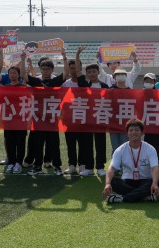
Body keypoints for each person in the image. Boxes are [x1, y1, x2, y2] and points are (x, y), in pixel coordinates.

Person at [22, 48, 69, 176]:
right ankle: (37, 166)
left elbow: (66, 72)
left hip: (52, 118)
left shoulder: (55, 81)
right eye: (43, 69)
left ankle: (57, 166)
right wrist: (22, 59)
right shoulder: (36, 81)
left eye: (48, 69)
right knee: (38, 144)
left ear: (52, 70)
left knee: (54, 143)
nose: (45, 71)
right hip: (38, 118)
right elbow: (24, 75)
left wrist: (64, 57)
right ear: (40, 70)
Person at [102, 119, 159, 203]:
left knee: (158, 182)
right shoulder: (120, 149)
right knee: (111, 181)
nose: (134, 132)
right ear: (127, 133)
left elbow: (155, 168)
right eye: (131, 130)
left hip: (144, 180)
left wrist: (154, 183)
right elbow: (111, 168)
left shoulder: (150, 149)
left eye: (137, 130)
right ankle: (143, 196)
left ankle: (122, 198)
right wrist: (107, 184)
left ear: (142, 133)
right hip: (127, 181)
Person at [79, 62, 110, 176]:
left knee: (100, 143)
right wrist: (77, 54)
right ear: (86, 73)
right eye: (89, 72)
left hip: (100, 118)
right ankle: (89, 167)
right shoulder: (84, 85)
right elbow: (78, 72)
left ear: (98, 72)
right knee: (87, 143)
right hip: (87, 118)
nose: (92, 74)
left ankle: (100, 167)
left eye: (94, 71)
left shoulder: (104, 86)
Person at [62, 46, 89, 176]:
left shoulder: (84, 82)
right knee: (70, 143)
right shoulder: (65, 83)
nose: (73, 70)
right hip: (69, 118)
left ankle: (82, 164)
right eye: (71, 68)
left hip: (82, 117)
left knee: (83, 143)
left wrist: (77, 53)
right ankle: (72, 165)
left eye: (75, 67)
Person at [0, 65, 27, 174]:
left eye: (15, 73)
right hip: (9, 120)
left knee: (20, 142)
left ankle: (18, 163)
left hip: (21, 119)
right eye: (10, 73)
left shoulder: (23, 87)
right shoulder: (5, 87)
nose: (12, 75)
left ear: (19, 75)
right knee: (9, 142)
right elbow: (1, 102)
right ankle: (11, 162)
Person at [142, 72, 159, 162]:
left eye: (150, 81)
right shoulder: (140, 93)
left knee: (155, 148)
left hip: (156, 125)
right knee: (144, 147)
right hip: (143, 124)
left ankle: (155, 166)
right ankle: (145, 166)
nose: (148, 83)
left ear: (154, 82)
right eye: (146, 81)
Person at [109, 68, 131, 153]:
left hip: (125, 122)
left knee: (124, 145)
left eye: (122, 74)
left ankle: (125, 161)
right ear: (114, 77)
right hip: (113, 122)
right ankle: (115, 161)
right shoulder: (110, 90)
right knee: (115, 146)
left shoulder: (130, 91)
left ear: (126, 76)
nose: (120, 76)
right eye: (118, 75)